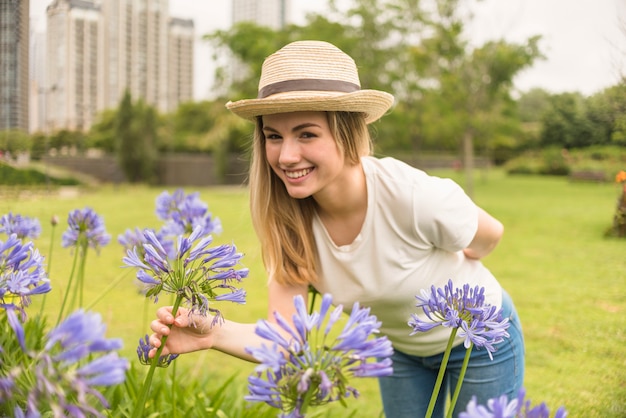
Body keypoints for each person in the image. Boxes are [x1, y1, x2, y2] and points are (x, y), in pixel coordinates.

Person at [148, 40, 525, 417]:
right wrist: (212, 332)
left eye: (306, 134)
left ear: (347, 134)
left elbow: (489, 234)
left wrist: (458, 265)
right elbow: (286, 339)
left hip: (481, 341)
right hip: (401, 349)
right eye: (273, 136)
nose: (286, 155)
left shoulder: (413, 197)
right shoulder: (289, 222)